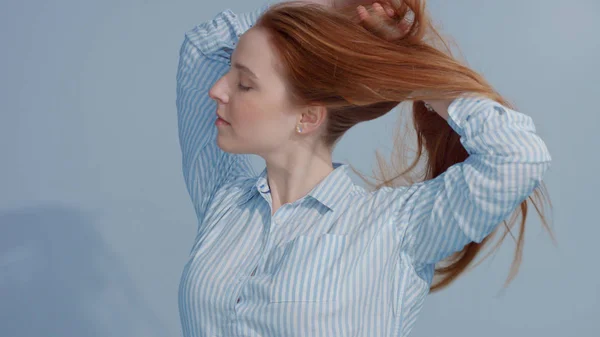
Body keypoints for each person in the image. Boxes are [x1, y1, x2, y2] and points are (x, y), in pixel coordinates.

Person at [174, 0, 553, 336]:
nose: (217, 90)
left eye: (244, 84)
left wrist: (410, 64)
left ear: (307, 117)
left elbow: (517, 156)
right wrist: (334, 9)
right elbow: (204, 45)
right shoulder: (224, 202)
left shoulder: (394, 228)